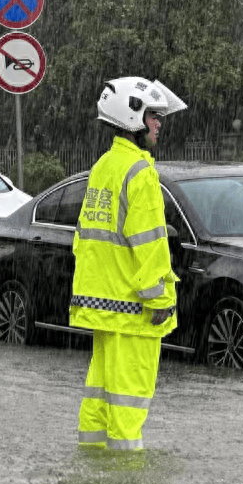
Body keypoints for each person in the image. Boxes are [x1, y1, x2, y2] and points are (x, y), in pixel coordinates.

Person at [70, 77, 187, 451]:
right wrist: (159, 298)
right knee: (129, 400)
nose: (158, 124)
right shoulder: (140, 172)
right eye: (154, 116)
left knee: (101, 394)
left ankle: (94, 464)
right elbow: (150, 244)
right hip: (133, 309)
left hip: (103, 303)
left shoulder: (104, 166)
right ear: (133, 116)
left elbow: (84, 237)